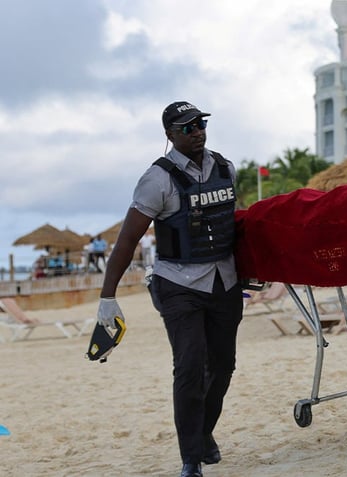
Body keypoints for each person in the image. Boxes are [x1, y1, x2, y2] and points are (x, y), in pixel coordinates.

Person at [96, 101, 243, 477]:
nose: (196, 131)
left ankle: (202, 434)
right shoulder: (157, 180)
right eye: (186, 127)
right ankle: (191, 459)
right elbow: (127, 240)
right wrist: (107, 298)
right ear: (169, 135)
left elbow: (234, 226)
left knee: (223, 366)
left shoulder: (225, 168)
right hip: (178, 285)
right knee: (190, 366)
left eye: (200, 124)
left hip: (223, 282)